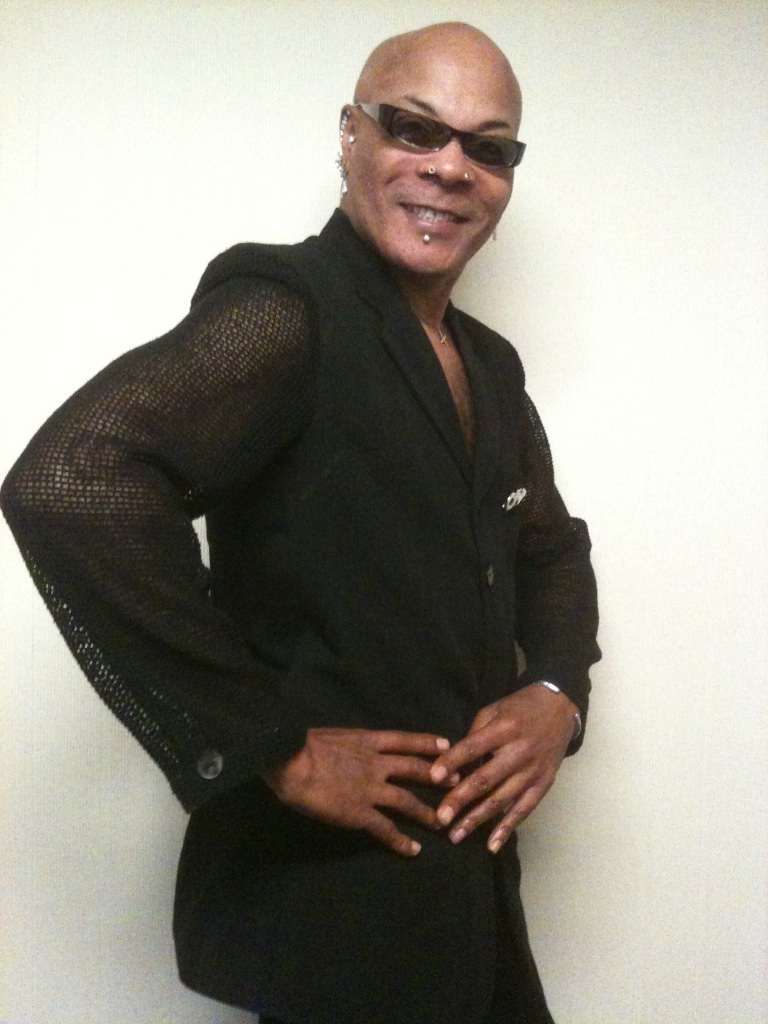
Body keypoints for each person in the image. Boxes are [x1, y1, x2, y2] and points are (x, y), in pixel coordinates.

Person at [1, 21, 599, 1024]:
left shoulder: (490, 364)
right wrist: (272, 747)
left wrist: (555, 690)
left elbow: (552, 549)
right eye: (415, 128)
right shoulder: (289, 310)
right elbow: (71, 480)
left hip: (470, 900)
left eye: (488, 147)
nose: (451, 167)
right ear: (351, 135)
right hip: (334, 908)